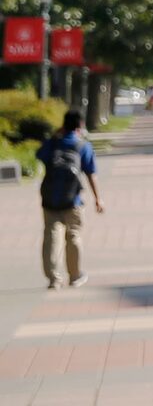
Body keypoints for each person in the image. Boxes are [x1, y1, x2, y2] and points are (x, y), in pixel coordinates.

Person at [36, 110, 104, 290]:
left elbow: (39, 155)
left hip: (50, 199)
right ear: (80, 125)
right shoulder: (83, 146)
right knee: (73, 235)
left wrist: (53, 137)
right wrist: (98, 199)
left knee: (51, 236)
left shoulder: (54, 143)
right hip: (72, 200)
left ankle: (53, 279)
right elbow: (91, 174)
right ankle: (74, 276)